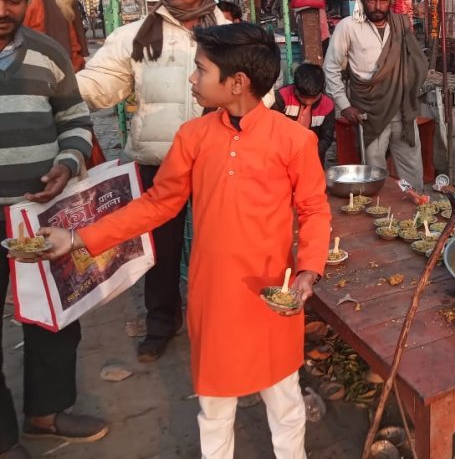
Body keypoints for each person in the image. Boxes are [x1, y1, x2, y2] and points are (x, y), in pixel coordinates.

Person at [40, 23, 330, 459]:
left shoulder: (294, 140)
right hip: (213, 294)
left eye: (200, 70)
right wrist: (81, 237)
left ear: (237, 83)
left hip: (274, 294)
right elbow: (158, 204)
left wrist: (309, 268)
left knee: (284, 397)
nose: (191, 80)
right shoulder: (193, 136)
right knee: (214, 405)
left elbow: (313, 210)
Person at [76, 0, 225, 362]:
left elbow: (255, 88)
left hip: (217, 160)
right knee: (160, 248)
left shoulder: (228, 32)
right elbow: (101, 82)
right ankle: (161, 323)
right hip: (158, 162)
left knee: (219, 244)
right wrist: (61, 86)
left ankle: (217, 318)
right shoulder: (136, 34)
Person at [0, 0, 107, 459]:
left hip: (38, 213)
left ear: (28, 0)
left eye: (12, 0)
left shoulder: (48, 53)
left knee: (54, 315)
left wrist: (68, 163)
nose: (3, 10)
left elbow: (75, 119)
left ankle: (45, 413)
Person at [323, 0, 428, 191]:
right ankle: (382, 215)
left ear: (390, 1)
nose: (378, 6)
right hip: (368, 111)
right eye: (372, 0)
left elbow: (415, 60)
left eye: (383, 1)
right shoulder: (348, 27)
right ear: (362, 0)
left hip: (402, 110)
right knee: (375, 171)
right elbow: (331, 68)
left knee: (412, 167)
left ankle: (417, 208)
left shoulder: (401, 24)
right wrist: (344, 105)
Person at [23, 0, 89, 71]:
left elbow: (75, 42)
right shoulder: (34, 1)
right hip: (40, 68)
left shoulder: (70, 3)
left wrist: (79, 64)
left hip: (73, 68)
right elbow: (19, 35)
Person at [272, 63, 336, 166]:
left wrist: (312, 152)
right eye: (303, 97)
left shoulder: (327, 105)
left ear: (321, 91)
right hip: (282, 156)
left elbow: (327, 137)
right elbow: (271, 130)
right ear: (295, 89)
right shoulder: (281, 97)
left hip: (313, 157)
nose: (308, 102)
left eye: (314, 98)